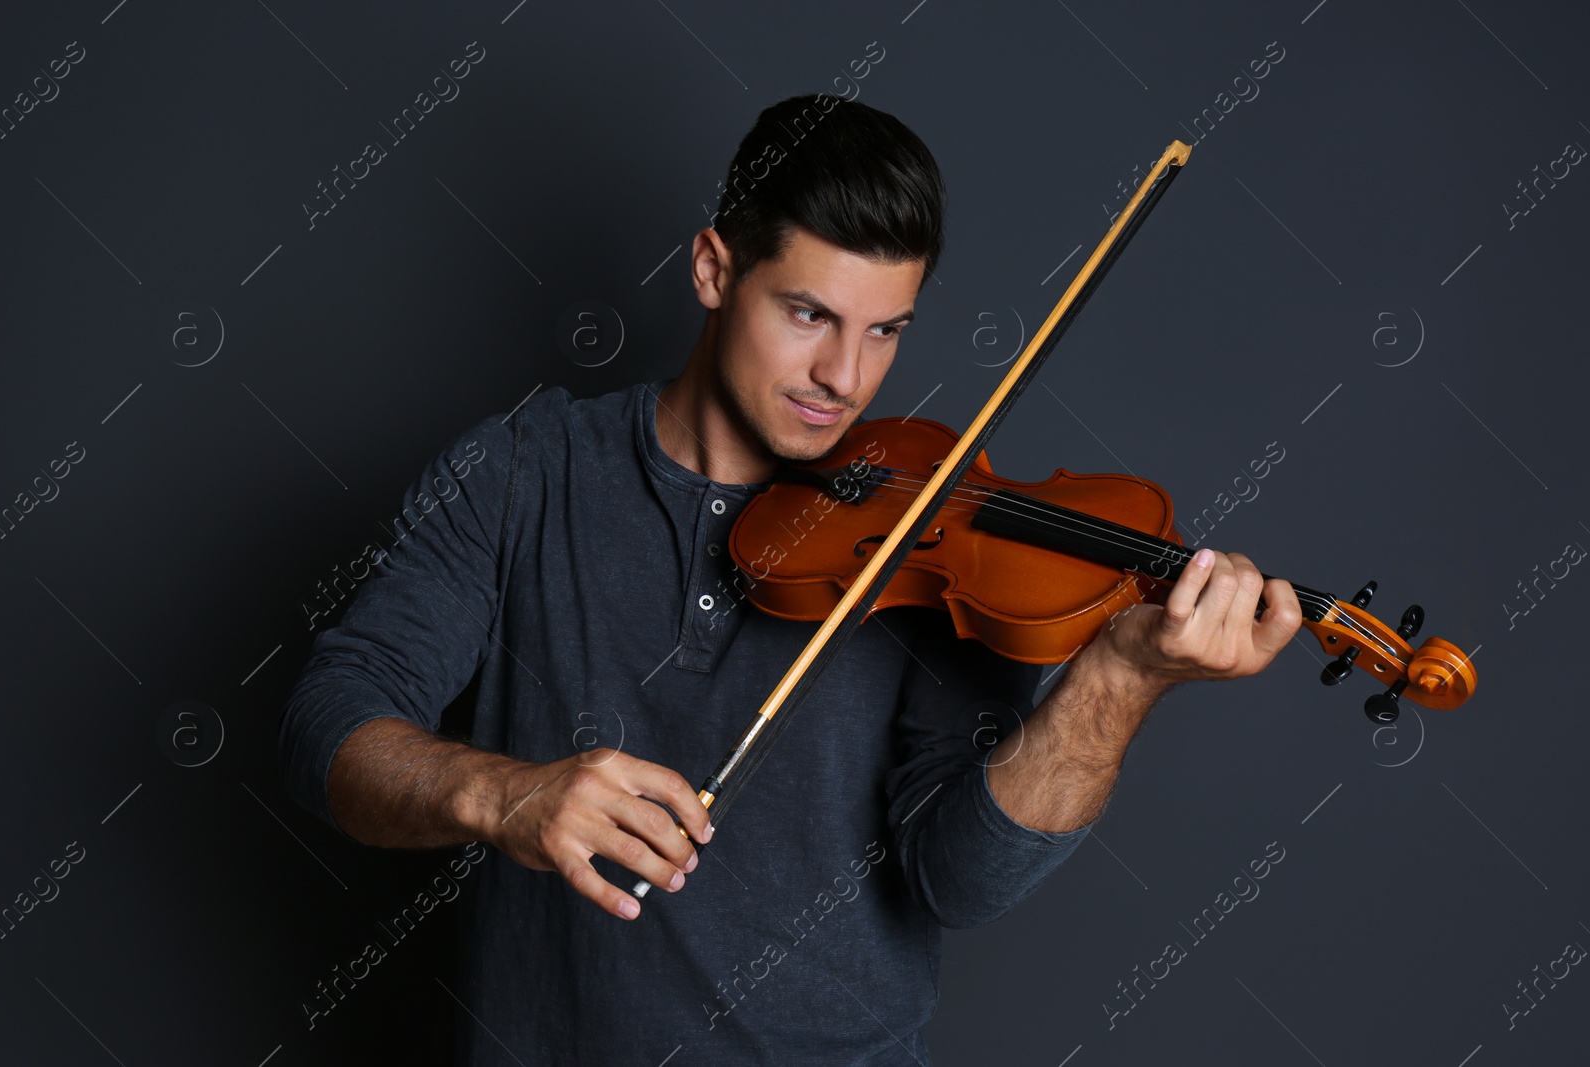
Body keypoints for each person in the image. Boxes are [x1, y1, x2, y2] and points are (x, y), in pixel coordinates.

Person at [278, 92, 1302, 1066]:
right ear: (715, 269)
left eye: (885, 329)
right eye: (809, 313)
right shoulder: (521, 470)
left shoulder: (928, 531)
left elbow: (961, 877)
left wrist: (1120, 679)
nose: (844, 379)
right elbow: (330, 722)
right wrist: (500, 792)